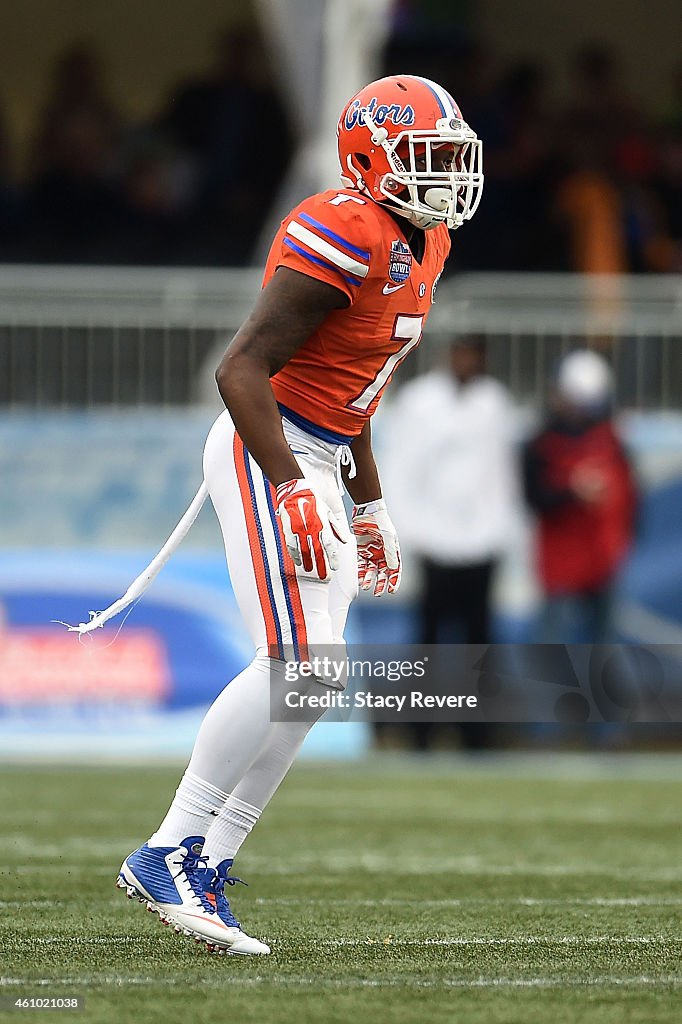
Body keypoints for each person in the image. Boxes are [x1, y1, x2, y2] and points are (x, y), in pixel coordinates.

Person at [114, 75, 483, 955]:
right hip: (265, 444)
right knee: (297, 663)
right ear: (372, 160)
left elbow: (354, 398)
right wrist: (289, 485)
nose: (447, 176)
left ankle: (209, 862)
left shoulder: (422, 244)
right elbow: (242, 369)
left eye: (450, 157)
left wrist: (370, 501)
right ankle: (167, 846)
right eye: (426, 158)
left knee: (315, 684)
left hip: (321, 449)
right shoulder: (344, 225)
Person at [382, 335, 519, 749]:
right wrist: (410, 529)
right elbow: (401, 467)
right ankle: (421, 731)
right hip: (435, 541)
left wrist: (500, 530)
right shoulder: (421, 402)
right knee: (429, 641)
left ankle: (475, 732)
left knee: (479, 641)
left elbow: (502, 474)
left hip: (481, 542)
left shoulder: (494, 403)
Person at [523, 349, 637, 643]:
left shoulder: (612, 442)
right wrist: (572, 491)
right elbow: (535, 499)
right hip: (561, 561)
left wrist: (621, 543)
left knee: (604, 644)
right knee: (553, 643)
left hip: (603, 558)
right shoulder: (542, 445)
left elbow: (632, 499)